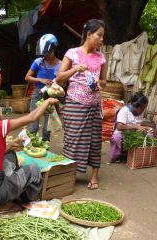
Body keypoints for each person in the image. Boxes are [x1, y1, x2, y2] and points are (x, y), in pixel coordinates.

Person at [0, 95, 58, 209]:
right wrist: (47, 101)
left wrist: (11, 145)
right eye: (0, 106)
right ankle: (23, 199)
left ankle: (11, 190)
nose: (1, 109)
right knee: (33, 170)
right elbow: (32, 117)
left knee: (10, 154)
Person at [56, 19, 106, 190]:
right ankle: (69, 174)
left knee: (94, 140)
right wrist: (75, 69)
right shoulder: (72, 53)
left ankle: (94, 177)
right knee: (73, 139)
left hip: (94, 105)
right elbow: (59, 77)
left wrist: (101, 83)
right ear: (89, 34)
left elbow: (105, 80)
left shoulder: (101, 57)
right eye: (99, 35)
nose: (101, 40)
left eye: (102, 37)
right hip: (75, 104)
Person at [25, 34, 61, 141]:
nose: (45, 55)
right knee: (33, 124)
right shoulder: (38, 62)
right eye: (43, 53)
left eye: (47, 52)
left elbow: (63, 83)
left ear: (54, 49)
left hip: (51, 96)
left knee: (47, 127)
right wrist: (40, 80)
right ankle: (30, 144)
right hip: (37, 94)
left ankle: (45, 147)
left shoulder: (61, 65)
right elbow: (27, 77)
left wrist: (58, 85)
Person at [109, 92, 149, 162]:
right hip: (122, 134)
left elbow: (138, 124)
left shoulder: (139, 113)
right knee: (117, 137)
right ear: (136, 106)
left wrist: (145, 128)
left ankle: (134, 155)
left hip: (133, 134)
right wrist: (135, 127)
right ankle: (119, 156)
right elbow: (119, 127)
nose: (143, 110)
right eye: (142, 108)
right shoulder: (124, 111)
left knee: (149, 135)